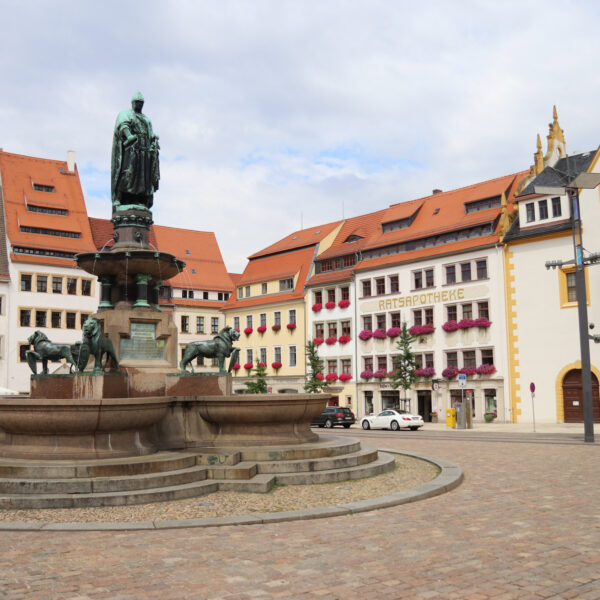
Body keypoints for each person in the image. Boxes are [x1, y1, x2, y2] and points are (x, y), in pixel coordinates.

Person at [111, 92, 160, 211]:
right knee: (128, 174)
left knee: (143, 177)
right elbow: (123, 126)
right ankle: (121, 198)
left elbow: (149, 132)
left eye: (141, 103)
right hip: (131, 149)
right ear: (132, 103)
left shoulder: (146, 119)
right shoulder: (125, 114)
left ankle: (139, 199)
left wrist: (153, 138)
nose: (139, 105)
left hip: (144, 152)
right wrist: (129, 136)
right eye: (137, 102)